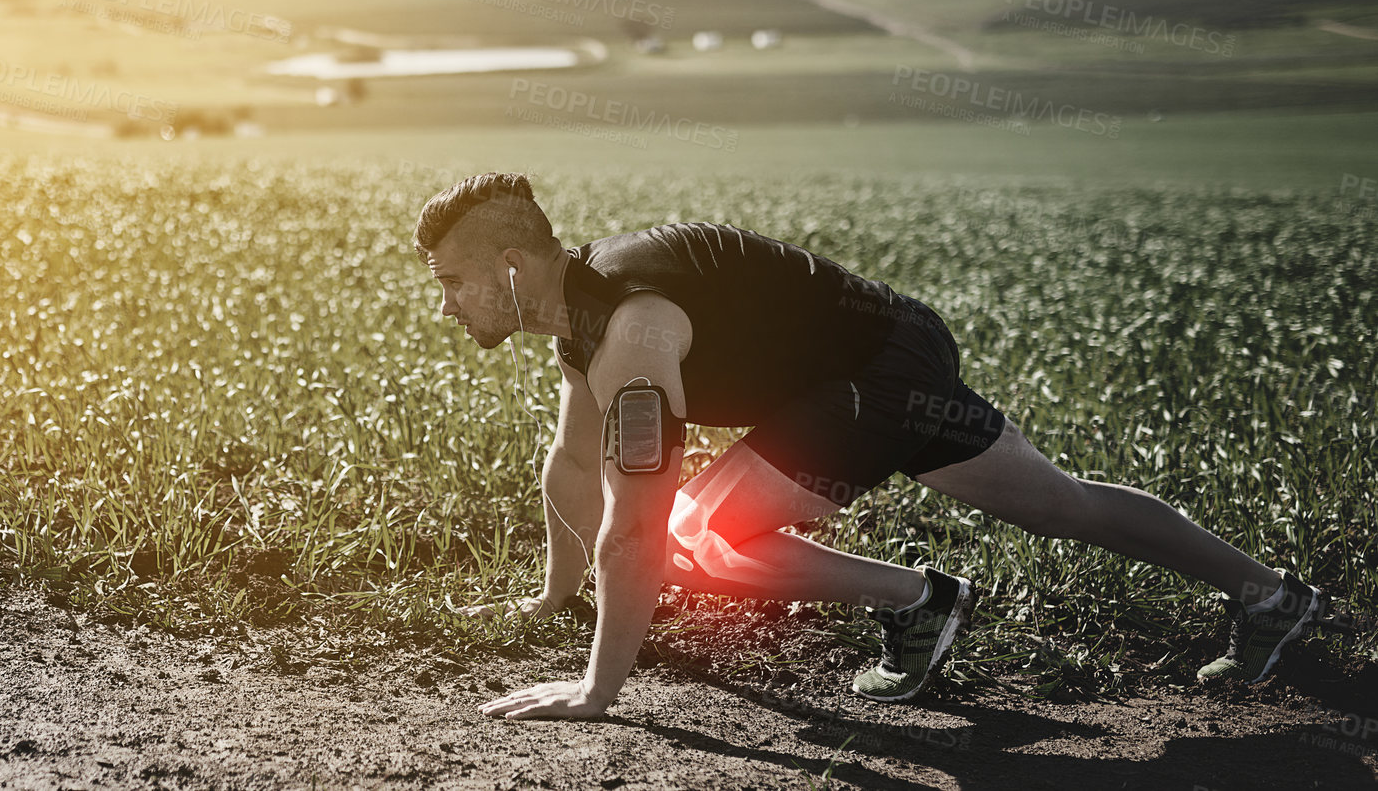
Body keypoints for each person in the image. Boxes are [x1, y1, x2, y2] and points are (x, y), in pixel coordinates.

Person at [410, 173, 1327, 720]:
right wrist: (551, 599)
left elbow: (634, 527)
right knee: (1059, 503)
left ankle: (920, 602)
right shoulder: (581, 312)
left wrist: (595, 690)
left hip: (876, 376)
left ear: (510, 269)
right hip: (887, 354)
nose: (444, 305)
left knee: (696, 532)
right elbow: (574, 466)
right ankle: (1270, 594)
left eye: (451, 281)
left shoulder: (633, 332)